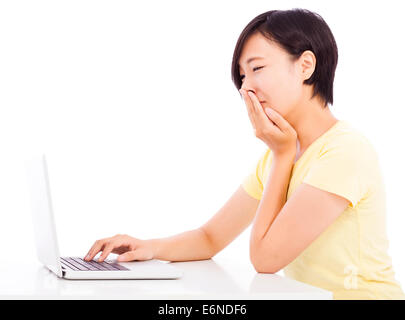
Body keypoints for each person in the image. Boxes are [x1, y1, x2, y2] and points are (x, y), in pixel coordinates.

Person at [84, 8, 405, 300]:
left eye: (257, 68)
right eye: (242, 76)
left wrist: (280, 155)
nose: (245, 87)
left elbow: (265, 259)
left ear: (305, 66)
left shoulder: (344, 151)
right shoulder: (281, 154)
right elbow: (211, 237)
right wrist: (148, 247)